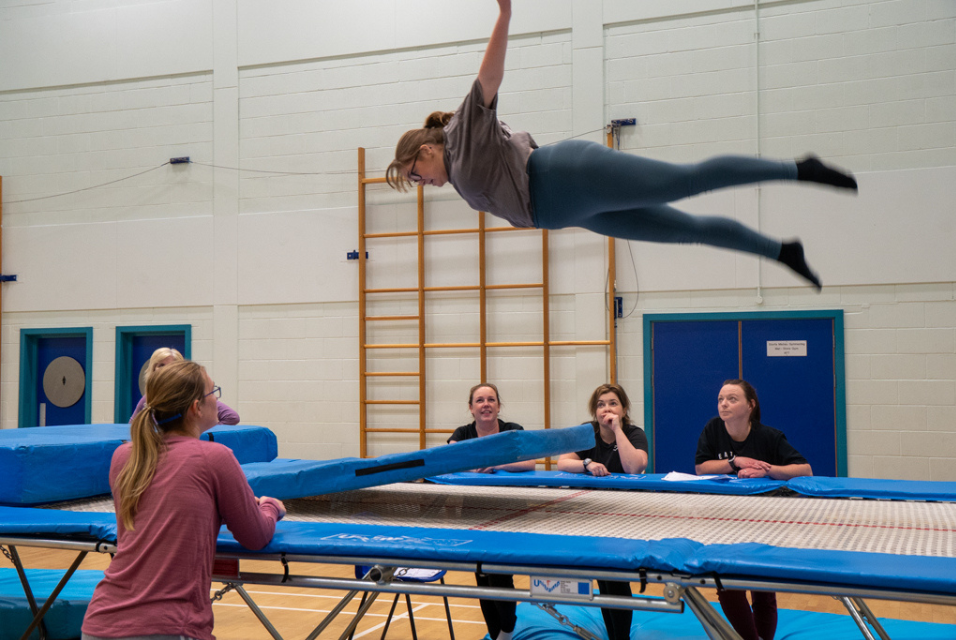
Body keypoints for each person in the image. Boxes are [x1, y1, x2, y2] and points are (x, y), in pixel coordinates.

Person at [385, 0, 859, 291]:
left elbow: (489, 77)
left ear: (424, 151)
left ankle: (799, 168)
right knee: (684, 230)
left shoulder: (461, 134)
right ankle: (781, 252)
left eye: (415, 174)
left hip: (566, 177)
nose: (422, 183)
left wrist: (505, 15)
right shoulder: (461, 168)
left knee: (685, 181)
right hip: (570, 210)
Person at [82, 360, 285, 640]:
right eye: (213, 392)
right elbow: (256, 535)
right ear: (196, 407)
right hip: (167, 625)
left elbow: (170, 506)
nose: (217, 399)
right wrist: (271, 507)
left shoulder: (125, 456)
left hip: (100, 623)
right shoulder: (215, 458)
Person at [694, 379, 812, 640]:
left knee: (763, 589)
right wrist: (734, 462)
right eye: (721, 399)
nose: (724, 403)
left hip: (763, 521)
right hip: (724, 521)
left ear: (750, 405)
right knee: (727, 587)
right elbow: (701, 467)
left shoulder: (769, 436)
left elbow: (805, 470)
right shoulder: (713, 429)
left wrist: (768, 470)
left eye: (732, 399)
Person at [557, 383, 648, 640]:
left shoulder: (634, 432)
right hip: (593, 515)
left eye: (612, 403)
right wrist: (586, 463)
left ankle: (621, 637)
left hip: (624, 516)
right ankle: (614, 636)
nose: (606, 409)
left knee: (617, 578)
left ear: (624, 408)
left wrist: (617, 429)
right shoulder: (588, 434)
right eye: (600, 404)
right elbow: (562, 461)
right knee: (603, 578)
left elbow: (634, 467)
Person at [448, 383, 535, 640]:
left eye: (491, 399)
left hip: (509, 513)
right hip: (474, 514)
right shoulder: (462, 433)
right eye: (480, 400)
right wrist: (470, 466)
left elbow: (529, 462)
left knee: (499, 575)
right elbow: (451, 460)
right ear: (471, 408)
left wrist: (494, 463)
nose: (486, 404)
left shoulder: (512, 430)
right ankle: (497, 633)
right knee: (482, 577)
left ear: (498, 406)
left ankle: (507, 630)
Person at [130, 347, 240, 425]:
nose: (166, 370)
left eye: (172, 366)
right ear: (154, 369)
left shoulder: (192, 395)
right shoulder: (148, 398)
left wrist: (204, 434)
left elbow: (231, 417)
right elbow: (132, 423)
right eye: (161, 365)